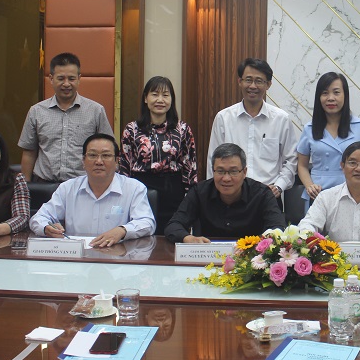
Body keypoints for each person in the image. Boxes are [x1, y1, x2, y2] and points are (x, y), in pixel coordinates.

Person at [29, 133, 155, 247]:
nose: (99, 161)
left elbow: (147, 222)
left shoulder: (134, 188)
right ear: (83, 161)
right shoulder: (67, 188)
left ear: (117, 161)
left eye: (106, 155)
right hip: (77, 258)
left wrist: (122, 230)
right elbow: (38, 218)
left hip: (117, 258)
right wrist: (46, 228)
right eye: (92, 155)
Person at [207, 58, 297, 202]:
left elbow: (291, 160)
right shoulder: (224, 118)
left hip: (269, 196)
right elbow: (213, 159)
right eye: (248, 80)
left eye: (259, 81)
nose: (253, 86)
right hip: (231, 196)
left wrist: (279, 186)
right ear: (240, 82)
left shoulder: (281, 119)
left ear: (268, 84)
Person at [18, 52, 114, 183]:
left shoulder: (96, 111)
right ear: (51, 78)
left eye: (71, 79)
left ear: (79, 79)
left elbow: (108, 150)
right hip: (44, 184)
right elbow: (29, 152)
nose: (66, 84)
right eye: (61, 78)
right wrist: (25, 187)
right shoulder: (36, 111)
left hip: (82, 184)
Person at [119, 76, 197, 231]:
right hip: (141, 188)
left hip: (173, 189)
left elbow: (190, 166)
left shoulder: (182, 129)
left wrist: (191, 198)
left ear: (171, 100)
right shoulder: (131, 129)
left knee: (172, 233)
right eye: (154, 94)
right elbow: (124, 166)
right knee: (141, 231)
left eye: (165, 95)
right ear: (145, 98)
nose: (160, 100)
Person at [164, 143, 285, 243]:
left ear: (244, 172)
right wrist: (188, 238)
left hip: (251, 259)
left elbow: (278, 229)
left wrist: (259, 244)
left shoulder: (262, 194)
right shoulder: (199, 192)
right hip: (207, 258)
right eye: (220, 171)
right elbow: (173, 225)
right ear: (213, 171)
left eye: (233, 171)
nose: (226, 178)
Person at [296, 72, 360, 210]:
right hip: (319, 193)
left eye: (336, 92)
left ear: (345, 96)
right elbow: (302, 165)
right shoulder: (309, 128)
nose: (330, 98)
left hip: (352, 192)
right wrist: (309, 186)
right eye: (325, 93)